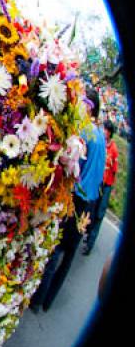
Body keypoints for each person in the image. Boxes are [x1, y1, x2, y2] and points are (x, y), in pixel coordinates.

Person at [31, 87, 106, 313]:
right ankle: (48, 301)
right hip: (89, 202)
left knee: (57, 246)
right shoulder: (101, 135)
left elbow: (73, 166)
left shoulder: (85, 132)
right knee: (69, 254)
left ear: (88, 107)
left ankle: (38, 298)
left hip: (76, 197)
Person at [83, 120, 119, 255]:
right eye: (104, 129)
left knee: (99, 214)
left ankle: (90, 243)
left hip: (106, 185)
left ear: (110, 133)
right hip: (97, 181)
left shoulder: (113, 150)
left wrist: (110, 188)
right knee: (89, 207)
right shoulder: (100, 143)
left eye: (107, 130)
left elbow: (114, 170)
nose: (104, 132)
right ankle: (84, 230)